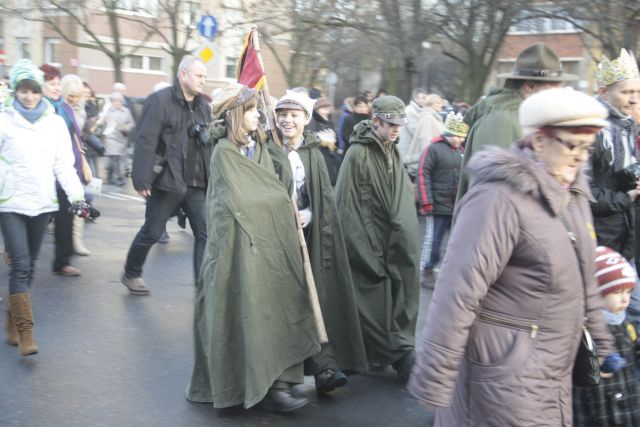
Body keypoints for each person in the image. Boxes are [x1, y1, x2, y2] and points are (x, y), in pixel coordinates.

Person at [408, 88, 618, 426]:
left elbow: (585, 280)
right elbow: (457, 293)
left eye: (587, 147)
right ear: (539, 140)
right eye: (571, 145)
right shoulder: (496, 199)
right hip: (505, 375)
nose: (581, 157)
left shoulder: (575, 195)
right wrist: (434, 377)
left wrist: (603, 345)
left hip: (551, 371)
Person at [186, 83, 320, 413]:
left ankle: (280, 382)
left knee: (274, 310)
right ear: (234, 114)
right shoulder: (223, 154)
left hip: (267, 246)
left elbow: (278, 185)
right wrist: (275, 198)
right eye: (250, 110)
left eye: (257, 108)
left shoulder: (258, 147)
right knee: (245, 313)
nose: (258, 114)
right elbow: (242, 199)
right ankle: (245, 384)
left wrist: (279, 156)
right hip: (237, 250)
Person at [268, 90, 368, 396]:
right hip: (276, 240)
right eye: (282, 114)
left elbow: (322, 198)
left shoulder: (313, 153)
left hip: (309, 238)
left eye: (294, 115)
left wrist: (308, 215)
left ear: (305, 120)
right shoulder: (267, 150)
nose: (287, 120)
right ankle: (283, 375)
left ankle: (324, 367)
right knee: (285, 304)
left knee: (317, 298)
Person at [1, 60, 87, 356]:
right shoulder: (4, 119)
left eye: (34, 91)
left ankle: (11, 319)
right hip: (9, 202)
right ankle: (26, 332)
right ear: (16, 90)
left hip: (41, 203)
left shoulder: (54, 123)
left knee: (30, 266)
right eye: (23, 90)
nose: (29, 96)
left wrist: (78, 197)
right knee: (21, 263)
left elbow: (64, 165)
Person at [334, 95, 420, 380]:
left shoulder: (392, 150)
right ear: (375, 121)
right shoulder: (358, 154)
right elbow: (350, 205)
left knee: (401, 291)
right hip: (367, 240)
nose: (396, 129)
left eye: (399, 124)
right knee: (371, 296)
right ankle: (395, 353)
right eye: (389, 123)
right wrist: (365, 245)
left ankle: (395, 348)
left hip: (394, 240)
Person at [120, 56, 212, 295]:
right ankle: (131, 273)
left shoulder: (204, 107)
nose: (204, 80)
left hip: (196, 183)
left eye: (205, 76)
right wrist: (141, 178)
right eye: (199, 75)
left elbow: (206, 143)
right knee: (151, 231)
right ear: (183, 75)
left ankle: (202, 285)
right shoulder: (159, 101)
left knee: (205, 232)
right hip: (167, 181)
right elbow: (145, 140)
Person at [456, 43, 577, 200]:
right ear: (529, 86)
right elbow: (490, 198)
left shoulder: (524, 118)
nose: (556, 96)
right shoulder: (502, 121)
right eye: (551, 88)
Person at [573, 246, 640, 426]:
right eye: (617, 292)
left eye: (628, 292)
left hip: (628, 402)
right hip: (598, 410)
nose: (625, 299)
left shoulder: (624, 321)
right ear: (597, 294)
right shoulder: (585, 327)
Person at [589, 49, 640, 267]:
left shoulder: (628, 126)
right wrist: (626, 197)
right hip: (598, 239)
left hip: (624, 233)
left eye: (637, 92)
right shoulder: (590, 130)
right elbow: (582, 192)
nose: (634, 100)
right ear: (603, 92)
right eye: (627, 92)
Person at [41, 63, 89, 277]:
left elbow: (75, 137)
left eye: (57, 84)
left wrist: (83, 162)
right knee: (33, 216)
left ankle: (62, 261)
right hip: (40, 170)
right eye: (51, 84)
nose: (56, 88)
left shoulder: (63, 108)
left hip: (63, 168)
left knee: (65, 215)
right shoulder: (38, 107)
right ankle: (14, 251)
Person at [416, 112, 467, 281]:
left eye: (462, 136)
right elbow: (423, 175)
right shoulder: (433, 149)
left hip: (453, 205)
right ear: (448, 133)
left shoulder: (461, 152)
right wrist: (426, 202)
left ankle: (439, 268)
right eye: (457, 136)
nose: (459, 139)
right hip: (437, 205)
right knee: (433, 240)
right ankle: (426, 267)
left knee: (450, 241)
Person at [60, 74, 91, 256]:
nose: (74, 99)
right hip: (64, 160)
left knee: (78, 200)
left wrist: (84, 161)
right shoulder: (61, 109)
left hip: (75, 159)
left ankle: (76, 241)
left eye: (76, 95)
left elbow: (78, 137)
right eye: (70, 95)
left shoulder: (74, 109)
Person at [95, 92, 134, 186]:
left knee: (116, 158)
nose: (117, 102)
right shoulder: (108, 111)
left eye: (119, 101)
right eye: (115, 101)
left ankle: (111, 177)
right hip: (110, 137)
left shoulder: (126, 111)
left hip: (121, 138)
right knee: (114, 157)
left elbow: (132, 123)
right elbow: (101, 122)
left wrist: (127, 127)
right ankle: (116, 178)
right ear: (112, 101)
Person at [405, 94, 445, 178]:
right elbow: (425, 139)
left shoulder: (434, 117)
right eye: (437, 103)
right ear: (431, 104)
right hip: (428, 160)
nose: (441, 105)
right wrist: (430, 159)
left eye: (441, 103)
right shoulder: (428, 117)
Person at [305, 96, 342, 185]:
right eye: (323, 108)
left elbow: (336, 136)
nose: (326, 111)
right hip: (319, 157)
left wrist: (335, 142)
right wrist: (323, 142)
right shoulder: (313, 121)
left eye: (327, 108)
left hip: (330, 156)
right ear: (317, 109)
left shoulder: (329, 120)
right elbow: (310, 137)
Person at [397, 87, 429, 160]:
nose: (426, 101)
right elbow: (415, 131)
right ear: (416, 98)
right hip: (406, 149)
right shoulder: (410, 111)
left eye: (426, 98)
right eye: (423, 98)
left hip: (411, 149)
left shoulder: (418, 111)